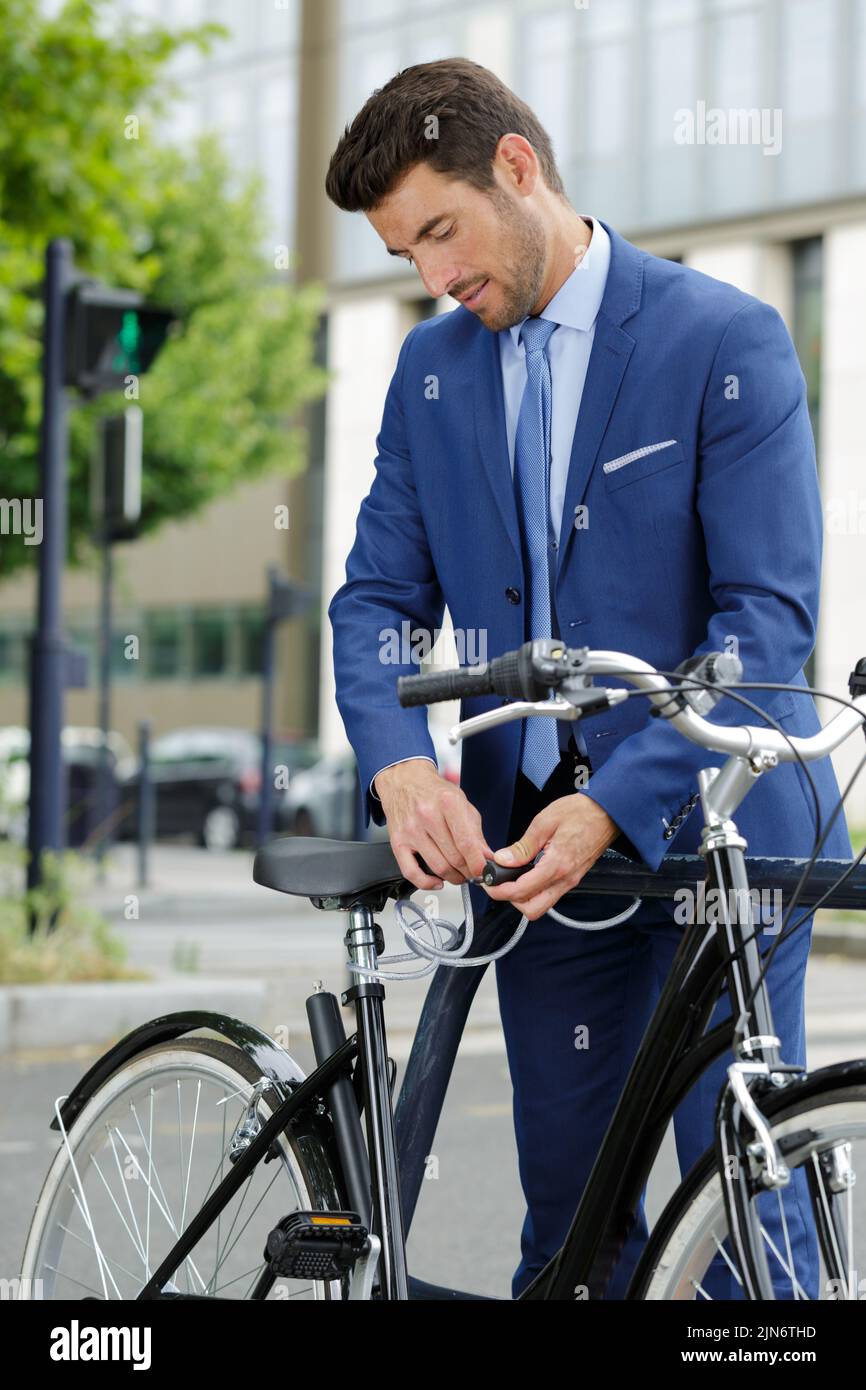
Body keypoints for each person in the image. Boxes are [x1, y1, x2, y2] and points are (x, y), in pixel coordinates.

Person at [325, 58, 852, 1298]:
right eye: (405, 256)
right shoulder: (432, 370)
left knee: (736, 1231)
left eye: (439, 234)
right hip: (538, 871)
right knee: (570, 1241)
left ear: (518, 169)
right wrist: (401, 766)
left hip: (720, 840)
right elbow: (375, 606)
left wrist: (617, 796)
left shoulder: (723, 337)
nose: (434, 279)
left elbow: (764, 626)